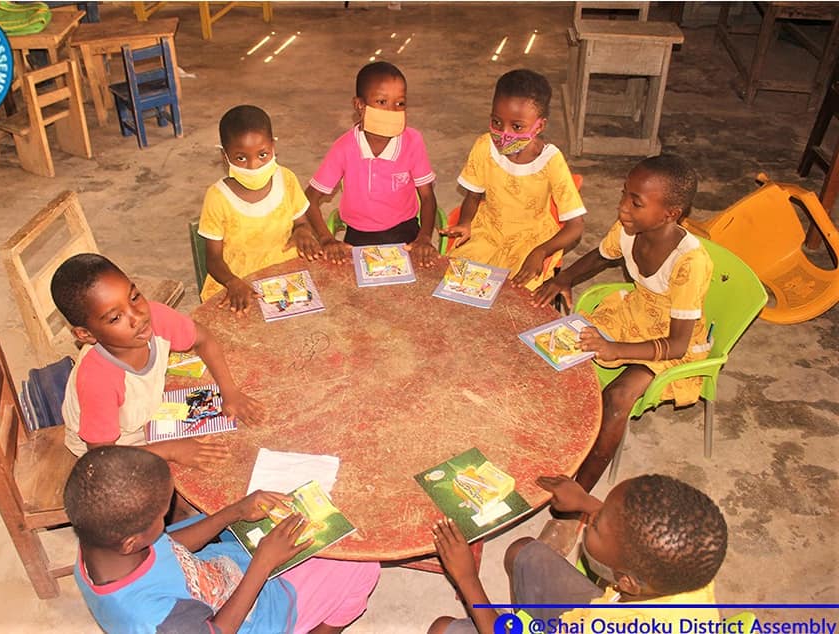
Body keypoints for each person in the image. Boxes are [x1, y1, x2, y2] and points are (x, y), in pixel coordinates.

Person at [533, 154, 711, 494]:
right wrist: (564, 279)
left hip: (669, 343)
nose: (622, 208)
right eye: (624, 194)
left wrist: (615, 349)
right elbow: (601, 256)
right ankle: (554, 438)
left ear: (670, 213)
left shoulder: (690, 262)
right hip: (634, 313)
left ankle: (578, 496)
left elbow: (676, 345)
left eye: (636, 202)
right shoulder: (630, 229)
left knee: (616, 398)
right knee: (550, 346)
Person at [65, 445, 381, 634]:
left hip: (222, 572)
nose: (168, 518)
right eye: (162, 516)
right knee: (360, 565)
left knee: (292, 523)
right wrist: (263, 564)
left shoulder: (102, 543)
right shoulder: (158, 621)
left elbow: (170, 546)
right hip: (251, 617)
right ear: (131, 542)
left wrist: (234, 512)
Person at [429, 474, 727, 634]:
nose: (591, 519)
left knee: (441, 630)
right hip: (596, 611)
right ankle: (521, 620)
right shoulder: (685, 570)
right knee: (523, 553)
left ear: (626, 582)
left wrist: (467, 579)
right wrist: (586, 502)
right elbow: (638, 540)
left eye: (595, 526)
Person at [51, 253, 264, 468]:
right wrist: (171, 450)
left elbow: (203, 339)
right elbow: (102, 457)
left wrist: (230, 391)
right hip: (114, 447)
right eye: (115, 318)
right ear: (86, 334)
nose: (138, 317)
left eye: (134, 297)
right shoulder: (98, 380)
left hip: (144, 415)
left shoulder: (157, 317)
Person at [439, 69, 585, 288]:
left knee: (516, 293)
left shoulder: (550, 161)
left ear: (539, 126)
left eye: (517, 127)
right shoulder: (484, 146)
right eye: (496, 122)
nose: (503, 134)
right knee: (457, 280)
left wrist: (540, 252)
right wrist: (466, 222)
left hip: (531, 240)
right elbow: (473, 196)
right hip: (488, 230)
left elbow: (576, 226)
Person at [298, 61, 439, 267]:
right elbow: (309, 198)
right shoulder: (344, 147)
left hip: (406, 232)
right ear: (359, 106)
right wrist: (326, 239)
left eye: (400, 104)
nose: (392, 111)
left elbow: (427, 196)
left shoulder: (412, 141)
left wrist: (424, 237)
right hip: (358, 237)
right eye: (382, 102)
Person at [199, 104, 318, 315]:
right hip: (238, 283)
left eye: (262, 154)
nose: (254, 166)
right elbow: (213, 259)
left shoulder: (286, 179)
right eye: (241, 158)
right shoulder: (217, 197)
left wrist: (302, 232)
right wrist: (232, 282)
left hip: (284, 276)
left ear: (273, 146)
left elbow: (301, 223)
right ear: (225, 156)